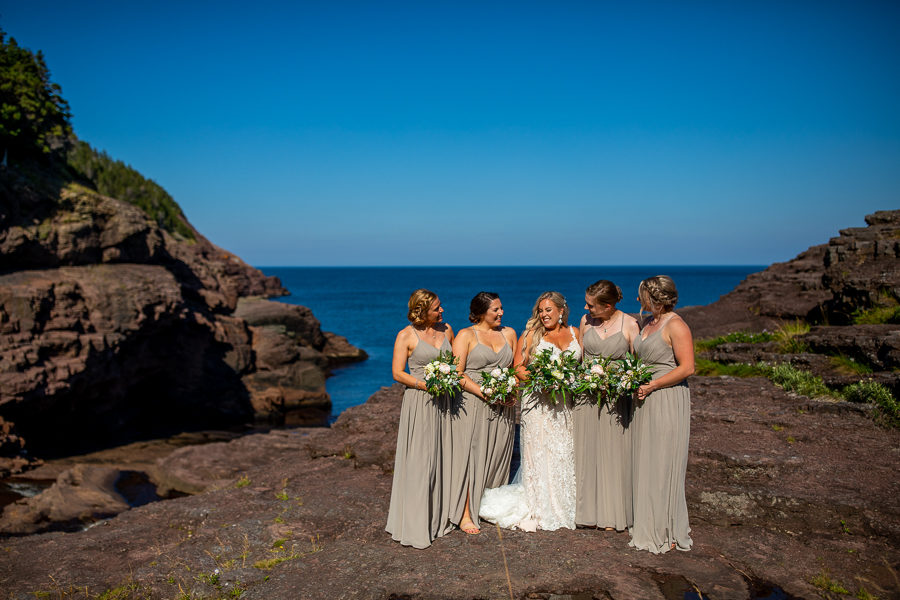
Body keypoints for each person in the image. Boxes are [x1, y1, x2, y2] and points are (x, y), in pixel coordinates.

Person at [479, 291, 582, 531]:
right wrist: (542, 378)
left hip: (565, 404)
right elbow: (518, 369)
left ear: (561, 310)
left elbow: (581, 365)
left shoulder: (576, 333)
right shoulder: (531, 335)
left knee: (564, 452)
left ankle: (567, 504)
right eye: (541, 310)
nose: (544, 315)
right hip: (538, 404)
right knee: (540, 454)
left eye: (548, 310)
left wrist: (567, 379)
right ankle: (541, 506)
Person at [386, 289, 455, 548]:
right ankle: (415, 523)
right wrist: (423, 385)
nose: (442, 311)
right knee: (420, 460)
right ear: (422, 311)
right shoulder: (406, 335)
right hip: (421, 400)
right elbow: (396, 373)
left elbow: (456, 363)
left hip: (447, 401)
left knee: (443, 456)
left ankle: (438, 517)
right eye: (437, 308)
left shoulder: (447, 330)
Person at [630, 275, 694, 553]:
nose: (637, 300)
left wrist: (653, 384)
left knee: (664, 460)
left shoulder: (676, 326)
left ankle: (666, 527)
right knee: (646, 459)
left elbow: (687, 367)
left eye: (641, 296)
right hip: (645, 399)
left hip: (667, 397)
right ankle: (647, 519)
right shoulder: (648, 322)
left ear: (653, 298)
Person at [448, 292, 517, 535]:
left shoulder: (509, 333)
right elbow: (456, 373)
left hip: (503, 406)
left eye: (501, 308)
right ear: (480, 313)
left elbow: (515, 369)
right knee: (471, 456)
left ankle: (489, 506)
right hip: (473, 403)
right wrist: (483, 392)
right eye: (495, 310)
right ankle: (465, 512)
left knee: (498, 453)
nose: (501, 313)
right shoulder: (466, 335)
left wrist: (510, 392)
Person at [575, 280, 639, 531]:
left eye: (591, 305)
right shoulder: (585, 322)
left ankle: (612, 515)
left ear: (608, 306)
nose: (586, 308)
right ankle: (586, 512)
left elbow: (637, 366)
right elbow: (580, 358)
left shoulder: (630, 324)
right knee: (586, 452)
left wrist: (619, 382)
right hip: (586, 397)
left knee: (613, 454)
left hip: (614, 399)